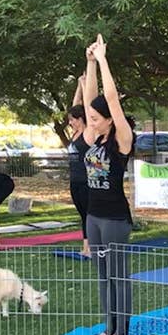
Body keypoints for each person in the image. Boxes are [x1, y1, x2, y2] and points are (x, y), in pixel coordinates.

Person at [82, 34, 134, 335]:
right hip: (94, 216)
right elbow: (92, 102)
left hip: (115, 217)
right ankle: (108, 327)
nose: (91, 121)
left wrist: (102, 60)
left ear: (109, 122)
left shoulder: (121, 141)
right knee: (102, 276)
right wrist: (89, 64)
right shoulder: (94, 137)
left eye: (96, 119)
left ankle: (121, 332)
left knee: (118, 275)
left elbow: (111, 101)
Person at [68, 74, 91, 257]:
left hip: (86, 181)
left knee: (89, 214)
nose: (71, 123)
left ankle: (89, 247)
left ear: (81, 119)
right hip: (74, 181)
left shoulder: (88, 134)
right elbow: (74, 106)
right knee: (82, 215)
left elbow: (84, 108)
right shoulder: (74, 133)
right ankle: (86, 247)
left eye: (73, 120)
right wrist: (78, 85)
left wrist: (85, 86)